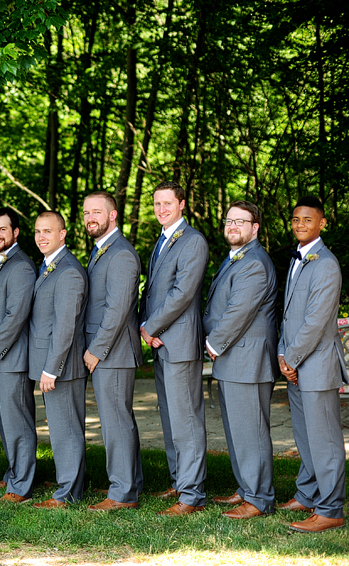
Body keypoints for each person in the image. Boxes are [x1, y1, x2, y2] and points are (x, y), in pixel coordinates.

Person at [202, 201, 277, 519]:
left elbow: (239, 311)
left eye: (240, 222)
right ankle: (247, 489)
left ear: (255, 227)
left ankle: (260, 499)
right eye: (229, 221)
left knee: (251, 432)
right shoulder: (237, 257)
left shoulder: (255, 262)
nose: (232, 226)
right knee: (237, 430)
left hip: (248, 359)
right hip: (235, 359)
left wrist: (213, 343)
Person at [278, 196, 347, 533]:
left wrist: (290, 358)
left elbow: (317, 321)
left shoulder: (326, 264)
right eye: (295, 219)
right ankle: (308, 494)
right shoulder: (299, 259)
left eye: (307, 220)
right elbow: (289, 315)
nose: (300, 225)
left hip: (316, 365)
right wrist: (282, 354)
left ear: (321, 223)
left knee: (326, 440)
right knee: (305, 438)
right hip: (294, 364)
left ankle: (331, 508)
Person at [140, 181, 209, 516]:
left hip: (179, 342)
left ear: (182, 204)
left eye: (167, 204)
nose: (161, 210)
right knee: (170, 418)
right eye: (156, 204)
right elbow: (152, 291)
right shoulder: (163, 239)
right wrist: (147, 328)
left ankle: (193, 495)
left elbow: (182, 294)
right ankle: (180, 480)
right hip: (161, 342)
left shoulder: (193, 241)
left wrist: (150, 327)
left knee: (187, 420)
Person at [81, 192, 143, 511]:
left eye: (97, 212)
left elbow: (117, 309)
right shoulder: (101, 250)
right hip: (108, 353)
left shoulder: (121, 254)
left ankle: (122, 493)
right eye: (86, 212)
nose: (90, 217)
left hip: (113, 353)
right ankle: (131, 483)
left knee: (116, 422)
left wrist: (96, 350)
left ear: (113, 215)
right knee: (118, 420)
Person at [29, 211, 89, 510]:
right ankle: (70, 484)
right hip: (52, 363)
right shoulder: (50, 265)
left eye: (48, 231)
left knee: (66, 430)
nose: (41, 236)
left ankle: (67, 494)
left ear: (62, 234)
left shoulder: (67, 271)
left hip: (62, 367)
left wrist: (51, 368)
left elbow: (65, 326)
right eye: (38, 231)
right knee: (61, 428)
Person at [0, 207, 37, 504]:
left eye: (2, 229)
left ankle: (21, 487)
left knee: (19, 424)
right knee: (7, 422)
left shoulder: (22, 267)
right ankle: (13, 474)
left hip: (12, 359)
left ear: (15, 233)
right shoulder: (0, 263)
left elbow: (16, 316)